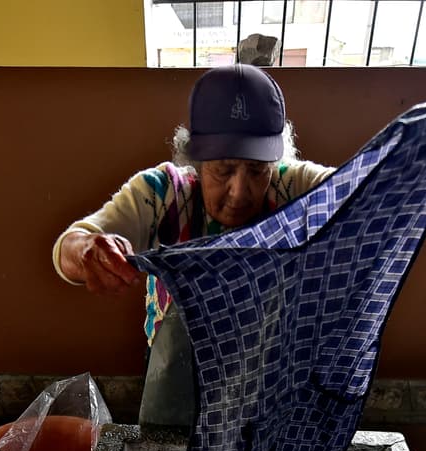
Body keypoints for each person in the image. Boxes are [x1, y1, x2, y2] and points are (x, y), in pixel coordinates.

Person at [52, 63, 334, 345]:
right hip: (178, 368)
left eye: (257, 170)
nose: (239, 192)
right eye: (223, 170)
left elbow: (360, 189)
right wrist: (87, 250)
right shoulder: (161, 194)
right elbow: (70, 247)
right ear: (196, 162)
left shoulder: (294, 187)